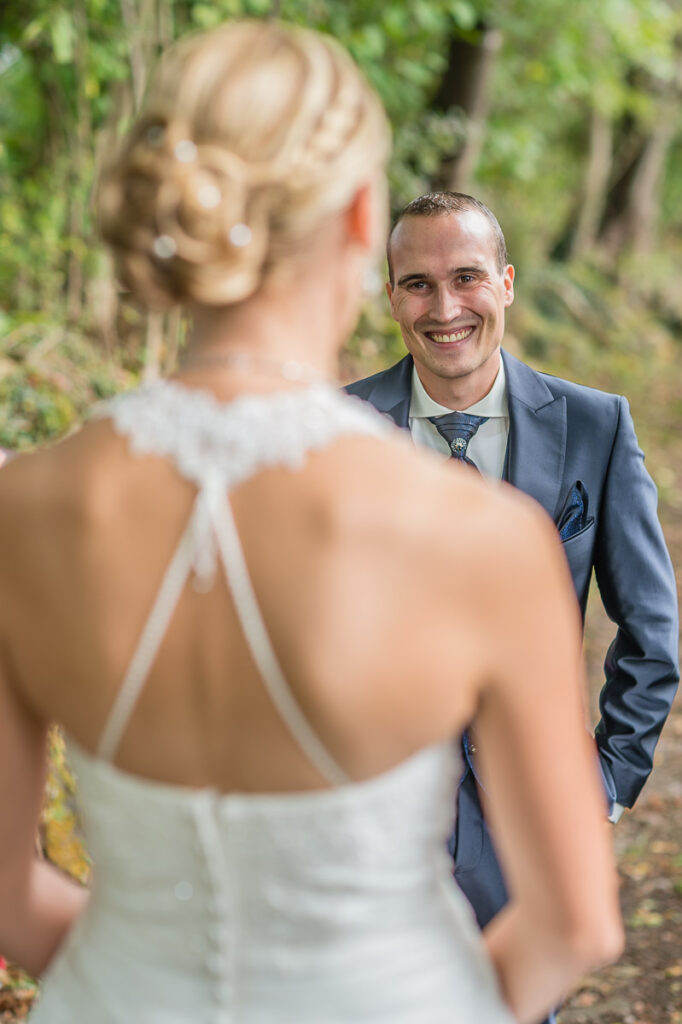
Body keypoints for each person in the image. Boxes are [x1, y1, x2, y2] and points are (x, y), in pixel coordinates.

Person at [0, 23, 622, 1024]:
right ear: (361, 218)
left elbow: (6, 893)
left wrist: (141, 972)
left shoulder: (22, 510)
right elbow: (574, 924)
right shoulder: (481, 536)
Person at [347, 190, 679, 948]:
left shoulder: (597, 426)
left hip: (531, 821)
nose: (444, 307)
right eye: (419, 284)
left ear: (507, 282)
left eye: (466, 277)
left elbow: (652, 630)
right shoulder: (335, 432)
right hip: (372, 827)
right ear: (392, 298)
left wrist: (606, 786)